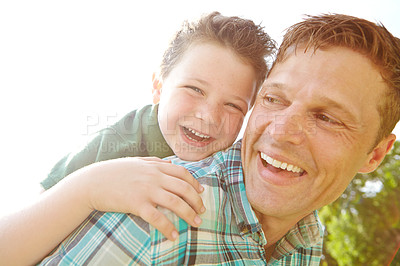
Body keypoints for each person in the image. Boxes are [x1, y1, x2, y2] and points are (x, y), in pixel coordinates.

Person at [37, 13, 400, 265]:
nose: (281, 131)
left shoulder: (306, 238)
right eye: (275, 99)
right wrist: (86, 187)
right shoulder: (155, 213)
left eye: (326, 117)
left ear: (376, 154)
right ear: (158, 86)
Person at [0, 12, 276, 265]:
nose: (210, 116)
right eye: (194, 89)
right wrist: (89, 187)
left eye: (233, 106)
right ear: (158, 87)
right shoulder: (118, 143)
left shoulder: (237, 169)